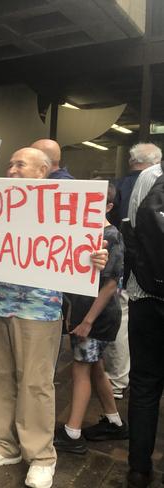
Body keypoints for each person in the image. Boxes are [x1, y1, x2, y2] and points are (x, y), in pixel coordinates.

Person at [0, 147, 108, 488]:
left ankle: (41, 455)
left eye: (20, 164)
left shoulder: (66, 204)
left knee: (35, 382)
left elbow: (90, 241)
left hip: (39, 309)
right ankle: (5, 443)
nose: (11, 169)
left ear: (42, 171)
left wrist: (96, 257)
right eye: (10, 163)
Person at [54, 182, 128, 455]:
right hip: (86, 314)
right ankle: (114, 421)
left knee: (80, 368)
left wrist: (87, 321)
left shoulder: (111, 235)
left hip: (97, 317)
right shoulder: (83, 233)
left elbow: (110, 285)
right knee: (94, 366)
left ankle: (72, 433)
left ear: (108, 207)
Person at [105, 143, 160, 400]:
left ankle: (117, 381)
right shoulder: (153, 185)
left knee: (122, 324)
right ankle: (118, 380)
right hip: (147, 276)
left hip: (124, 269)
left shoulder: (119, 186)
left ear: (130, 160)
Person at [124, 157, 164, 488]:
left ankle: (138, 469)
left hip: (146, 298)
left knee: (144, 386)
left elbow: (132, 231)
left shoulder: (150, 175)